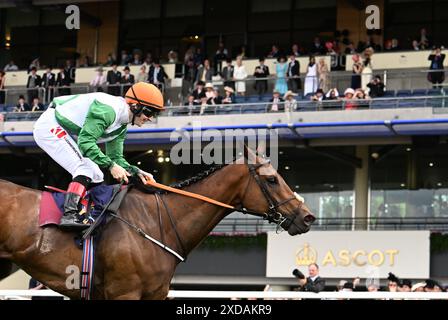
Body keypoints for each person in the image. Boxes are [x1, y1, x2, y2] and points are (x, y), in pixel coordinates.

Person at [33, 82, 163, 230]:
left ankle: (88, 212)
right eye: (149, 112)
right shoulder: (109, 111)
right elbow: (86, 143)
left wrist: (137, 172)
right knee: (84, 168)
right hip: (50, 125)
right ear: (135, 106)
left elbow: (115, 158)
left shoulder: (122, 125)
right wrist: (111, 166)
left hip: (67, 131)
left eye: (154, 114)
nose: (150, 118)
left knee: (97, 174)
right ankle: (69, 215)